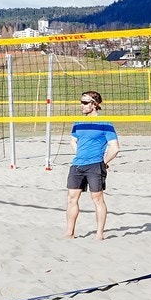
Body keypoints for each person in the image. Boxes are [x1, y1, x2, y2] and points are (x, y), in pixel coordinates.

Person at [65, 91, 120, 241]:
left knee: (97, 199)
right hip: (77, 165)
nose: (81, 105)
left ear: (94, 105)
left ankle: (99, 234)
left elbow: (114, 147)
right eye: (81, 102)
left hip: (95, 165)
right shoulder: (78, 122)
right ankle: (69, 233)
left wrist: (103, 162)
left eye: (84, 103)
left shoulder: (105, 123)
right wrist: (80, 155)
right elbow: (72, 141)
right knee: (71, 199)